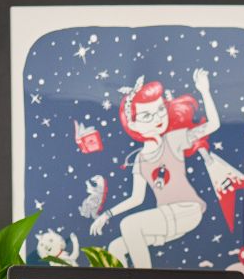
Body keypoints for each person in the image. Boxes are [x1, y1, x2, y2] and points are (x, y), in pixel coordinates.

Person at [89, 69, 218, 267]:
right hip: (166, 217)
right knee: (116, 247)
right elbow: (136, 199)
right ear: (132, 124)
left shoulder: (173, 140)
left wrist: (205, 91)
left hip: (187, 210)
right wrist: (106, 215)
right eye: (147, 116)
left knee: (129, 225)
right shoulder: (139, 159)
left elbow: (213, 125)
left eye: (160, 110)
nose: (158, 118)